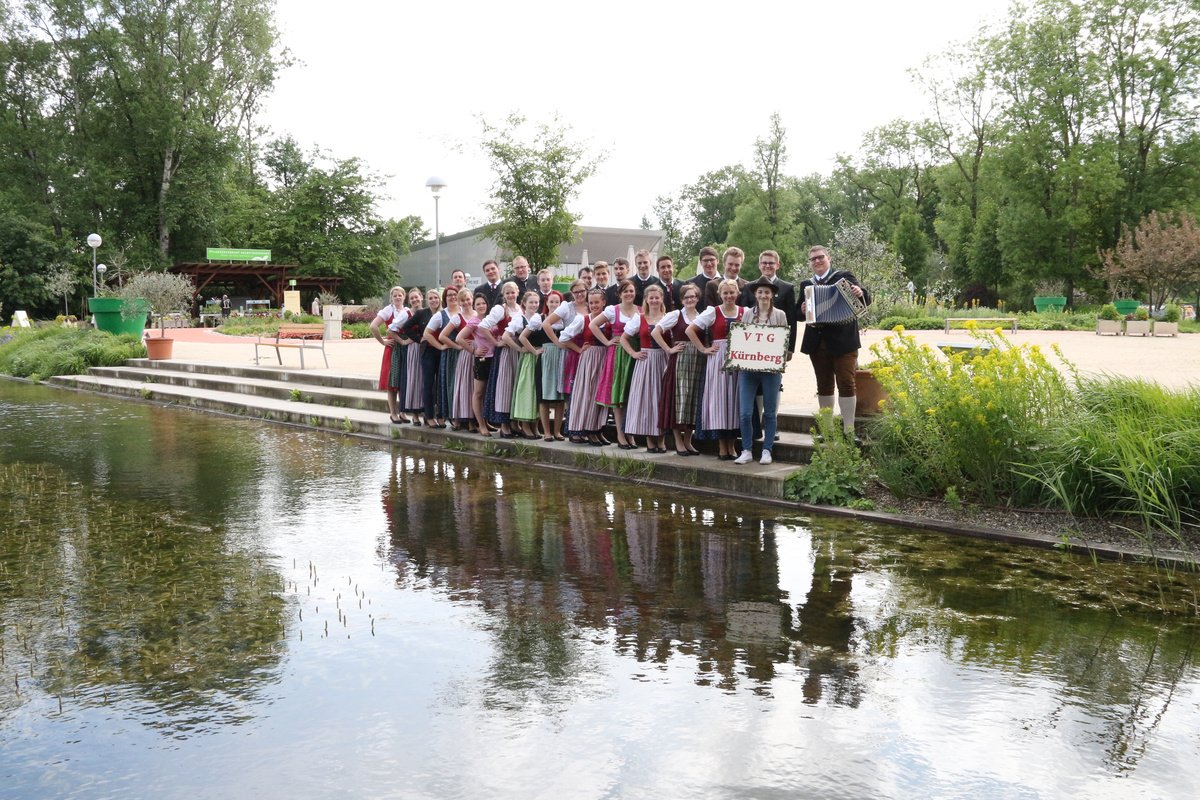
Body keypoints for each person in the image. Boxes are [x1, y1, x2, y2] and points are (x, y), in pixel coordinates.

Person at [798, 245, 870, 438]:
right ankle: (827, 431)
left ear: (828, 258)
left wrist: (860, 292)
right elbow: (798, 313)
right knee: (823, 385)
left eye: (820, 257)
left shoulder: (844, 277)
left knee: (846, 383)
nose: (817, 261)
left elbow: (864, 299)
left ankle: (849, 431)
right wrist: (802, 310)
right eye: (813, 259)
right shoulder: (807, 284)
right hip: (817, 342)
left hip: (844, 341)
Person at [739, 250, 798, 440]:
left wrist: (789, 348)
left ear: (777, 265)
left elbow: (792, 321)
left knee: (774, 387)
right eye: (764, 263)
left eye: (771, 263)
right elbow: (743, 323)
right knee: (755, 389)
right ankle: (757, 426)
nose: (767, 266)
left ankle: (772, 426)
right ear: (759, 265)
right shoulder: (749, 288)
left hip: (774, 351)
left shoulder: (787, 288)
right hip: (753, 351)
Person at [686, 279, 745, 460]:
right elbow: (690, 330)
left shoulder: (745, 312)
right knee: (720, 401)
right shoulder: (713, 312)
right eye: (725, 293)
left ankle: (732, 445)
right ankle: (722, 446)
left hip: (738, 359)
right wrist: (704, 349)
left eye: (732, 292)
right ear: (720, 294)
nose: (729, 296)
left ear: (737, 293)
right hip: (718, 360)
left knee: (734, 401)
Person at [733, 279, 789, 465]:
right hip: (748, 370)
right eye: (760, 292)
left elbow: (783, 341)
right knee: (745, 412)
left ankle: (767, 450)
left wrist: (780, 358)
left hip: (771, 370)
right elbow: (741, 339)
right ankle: (747, 450)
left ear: (772, 295)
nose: (763, 295)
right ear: (755, 295)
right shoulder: (747, 314)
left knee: (770, 412)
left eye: (767, 292)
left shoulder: (780, 315)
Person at [651, 281, 703, 455]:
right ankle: (678, 441)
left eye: (693, 296)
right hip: (680, 361)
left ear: (697, 298)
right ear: (681, 299)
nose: (690, 299)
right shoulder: (675, 315)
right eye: (686, 297)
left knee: (693, 401)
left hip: (697, 362)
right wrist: (669, 349)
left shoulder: (701, 316)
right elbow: (655, 332)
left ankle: (688, 441)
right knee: (678, 400)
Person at [591, 279, 640, 448]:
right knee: (619, 396)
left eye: (631, 291)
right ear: (620, 294)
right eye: (625, 291)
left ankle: (630, 433)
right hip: (618, 354)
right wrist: (607, 342)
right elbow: (593, 325)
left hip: (635, 354)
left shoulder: (641, 310)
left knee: (631, 396)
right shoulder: (613, 310)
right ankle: (620, 434)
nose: (629, 294)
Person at [621, 283, 669, 453]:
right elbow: (623, 338)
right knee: (647, 400)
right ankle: (650, 440)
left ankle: (661, 440)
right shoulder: (639, 318)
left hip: (663, 360)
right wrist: (633, 353)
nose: (654, 300)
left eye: (657, 297)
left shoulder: (668, 317)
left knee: (661, 399)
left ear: (661, 299)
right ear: (647, 300)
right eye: (651, 298)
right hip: (646, 361)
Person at [562, 289, 610, 446]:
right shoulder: (583, 319)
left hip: (605, 358)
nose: (594, 305)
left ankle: (597, 429)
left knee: (600, 395)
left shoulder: (609, 319)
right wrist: (579, 349)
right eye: (591, 303)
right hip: (589, 359)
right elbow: (564, 337)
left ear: (604, 302)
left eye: (597, 302)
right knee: (587, 394)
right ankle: (586, 430)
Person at [476, 281, 522, 438]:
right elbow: (483, 326)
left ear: (517, 292)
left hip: (517, 350)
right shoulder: (500, 309)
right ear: (503, 294)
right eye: (507, 293)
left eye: (513, 292)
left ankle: (514, 423)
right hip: (505, 353)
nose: (510, 295)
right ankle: (504, 425)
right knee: (505, 387)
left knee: (515, 386)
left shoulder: (519, 308)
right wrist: (496, 342)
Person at [521, 289, 567, 441]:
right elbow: (523, 337)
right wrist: (534, 351)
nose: (554, 304)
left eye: (557, 302)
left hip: (561, 358)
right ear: (546, 302)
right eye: (551, 301)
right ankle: (547, 432)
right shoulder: (539, 318)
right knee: (543, 397)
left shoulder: (564, 320)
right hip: (545, 358)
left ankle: (557, 432)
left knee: (560, 398)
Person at [504, 290, 543, 439]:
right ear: (524, 304)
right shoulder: (520, 319)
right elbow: (506, 337)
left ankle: (535, 425)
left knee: (537, 392)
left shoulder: (540, 318)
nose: (534, 305)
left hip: (539, 357)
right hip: (528, 359)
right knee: (527, 391)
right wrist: (520, 349)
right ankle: (525, 426)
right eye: (531, 302)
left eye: (536, 302)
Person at [440, 288, 478, 431]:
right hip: (466, 354)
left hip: (478, 352)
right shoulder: (458, 317)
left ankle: (473, 420)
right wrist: (457, 346)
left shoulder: (478, 314)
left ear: (472, 299)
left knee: (475, 387)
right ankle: (461, 419)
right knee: (464, 386)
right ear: (459, 302)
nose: (466, 302)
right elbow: (442, 336)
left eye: (468, 299)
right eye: (463, 300)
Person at [422, 286, 460, 429]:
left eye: (455, 294)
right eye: (449, 295)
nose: (452, 297)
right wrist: (440, 346)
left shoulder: (464, 311)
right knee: (442, 385)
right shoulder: (440, 315)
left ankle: (457, 417)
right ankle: (434, 416)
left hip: (463, 354)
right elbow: (427, 334)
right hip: (447, 354)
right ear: (445, 298)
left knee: (458, 385)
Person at [370, 286, 409, 424]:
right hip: (393, 348)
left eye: (400, 295)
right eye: (395, 295)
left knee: (403, 381)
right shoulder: (388, 310)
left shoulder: (407, 311)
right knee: (392, 382)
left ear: (404, 297)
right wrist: (383, 342)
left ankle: (403, 412)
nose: (398, 297)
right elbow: (373, 326)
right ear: (391, 298)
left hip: (405, 348)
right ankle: (393, 413)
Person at [543, 279, 588, 397]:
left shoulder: (591, 305)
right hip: (571, 351)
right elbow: (546, 324)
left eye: (582, 291)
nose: (579, 294)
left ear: (586, 290)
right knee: (570, 390)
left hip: (587, 352)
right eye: (576, 292)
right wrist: (558, 343)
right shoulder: (567, 307)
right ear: (572, 293)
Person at [398, 288, 429, 424]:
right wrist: (404, 341)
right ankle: (415, 414)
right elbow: (392, 329)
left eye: (416, 297)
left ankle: (427, 414)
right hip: (414, 349)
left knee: (426, 380)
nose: (415, 300)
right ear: (409, 301)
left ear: (421, 297)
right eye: (412, 298)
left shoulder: (427, 311)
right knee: (415, 380)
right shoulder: (406, 313)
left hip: (428, 348)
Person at [688, 246, 722, 311]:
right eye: (705, 260)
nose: (709, 263)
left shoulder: (726, 281)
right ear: (701, 262)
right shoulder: (691, 283)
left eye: (712, 260)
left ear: (717, 261)